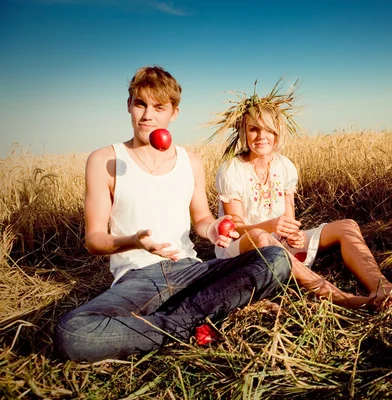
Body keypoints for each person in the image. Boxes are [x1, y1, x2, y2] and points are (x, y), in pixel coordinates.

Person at [54, 66, 291, 363]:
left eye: (158, 107)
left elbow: (202, 219)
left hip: (190, 270)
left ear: (173, 113)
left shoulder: (189, 161)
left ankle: (172, 320)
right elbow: (94, 239)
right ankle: (188, 321)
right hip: (138, 279)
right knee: (73, 334)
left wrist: (215, 228)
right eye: (140, 104)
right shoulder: (105, 160)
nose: (147, 115)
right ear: (129, 105)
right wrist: (135, 241)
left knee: (276, 259)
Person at [209, 81, 392, 310]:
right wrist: (271, 226)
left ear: (278, 132)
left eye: (269, 129)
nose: (262, 136)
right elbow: (235, 230)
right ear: (243, 132)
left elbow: (289, 221)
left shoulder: (285, 166)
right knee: (261, 236)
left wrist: (295, 236)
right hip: (242, 249)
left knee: (347, 225)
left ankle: (384, 287)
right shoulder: (232, 169)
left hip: (277, 245)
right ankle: (344, 299)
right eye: (254, 129)